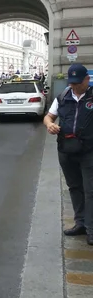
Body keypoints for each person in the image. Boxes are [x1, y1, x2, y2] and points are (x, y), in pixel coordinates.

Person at [44, 63, 93, 245]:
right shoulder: (63, 96)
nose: (73, 86)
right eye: (71, 82)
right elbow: (49, 116)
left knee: (90, 191)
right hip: (66, 150)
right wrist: (50, 124)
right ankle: (80, 223)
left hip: (89, 151)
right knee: (74, 188)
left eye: (77, 83)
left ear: (87, 80)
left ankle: (91, 229)